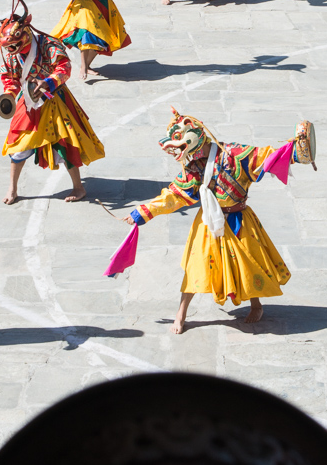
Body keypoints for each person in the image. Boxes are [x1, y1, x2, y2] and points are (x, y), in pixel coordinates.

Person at [109, 110, 316, 332]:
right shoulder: (194, 168)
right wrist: (142, 212)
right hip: (208, 222)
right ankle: (181, 313)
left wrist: (296, 151)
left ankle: (256, 305)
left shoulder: (235, 154)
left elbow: (267, 157)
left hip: (240, 220)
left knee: (249, 264)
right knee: (195, 268)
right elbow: (174, 195)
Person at [0, 0, 104, 205]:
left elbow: (64, 67)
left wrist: (49, 82)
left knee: (65, 142)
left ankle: (79, 188)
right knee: (18, 143)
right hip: (28, 101)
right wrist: (8, 96)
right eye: (8, 47)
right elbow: (11, 78)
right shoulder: (12, 54)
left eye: (13, 45)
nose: (11, 50)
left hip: (55, 99)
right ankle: (12, 188)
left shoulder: (48, 44)